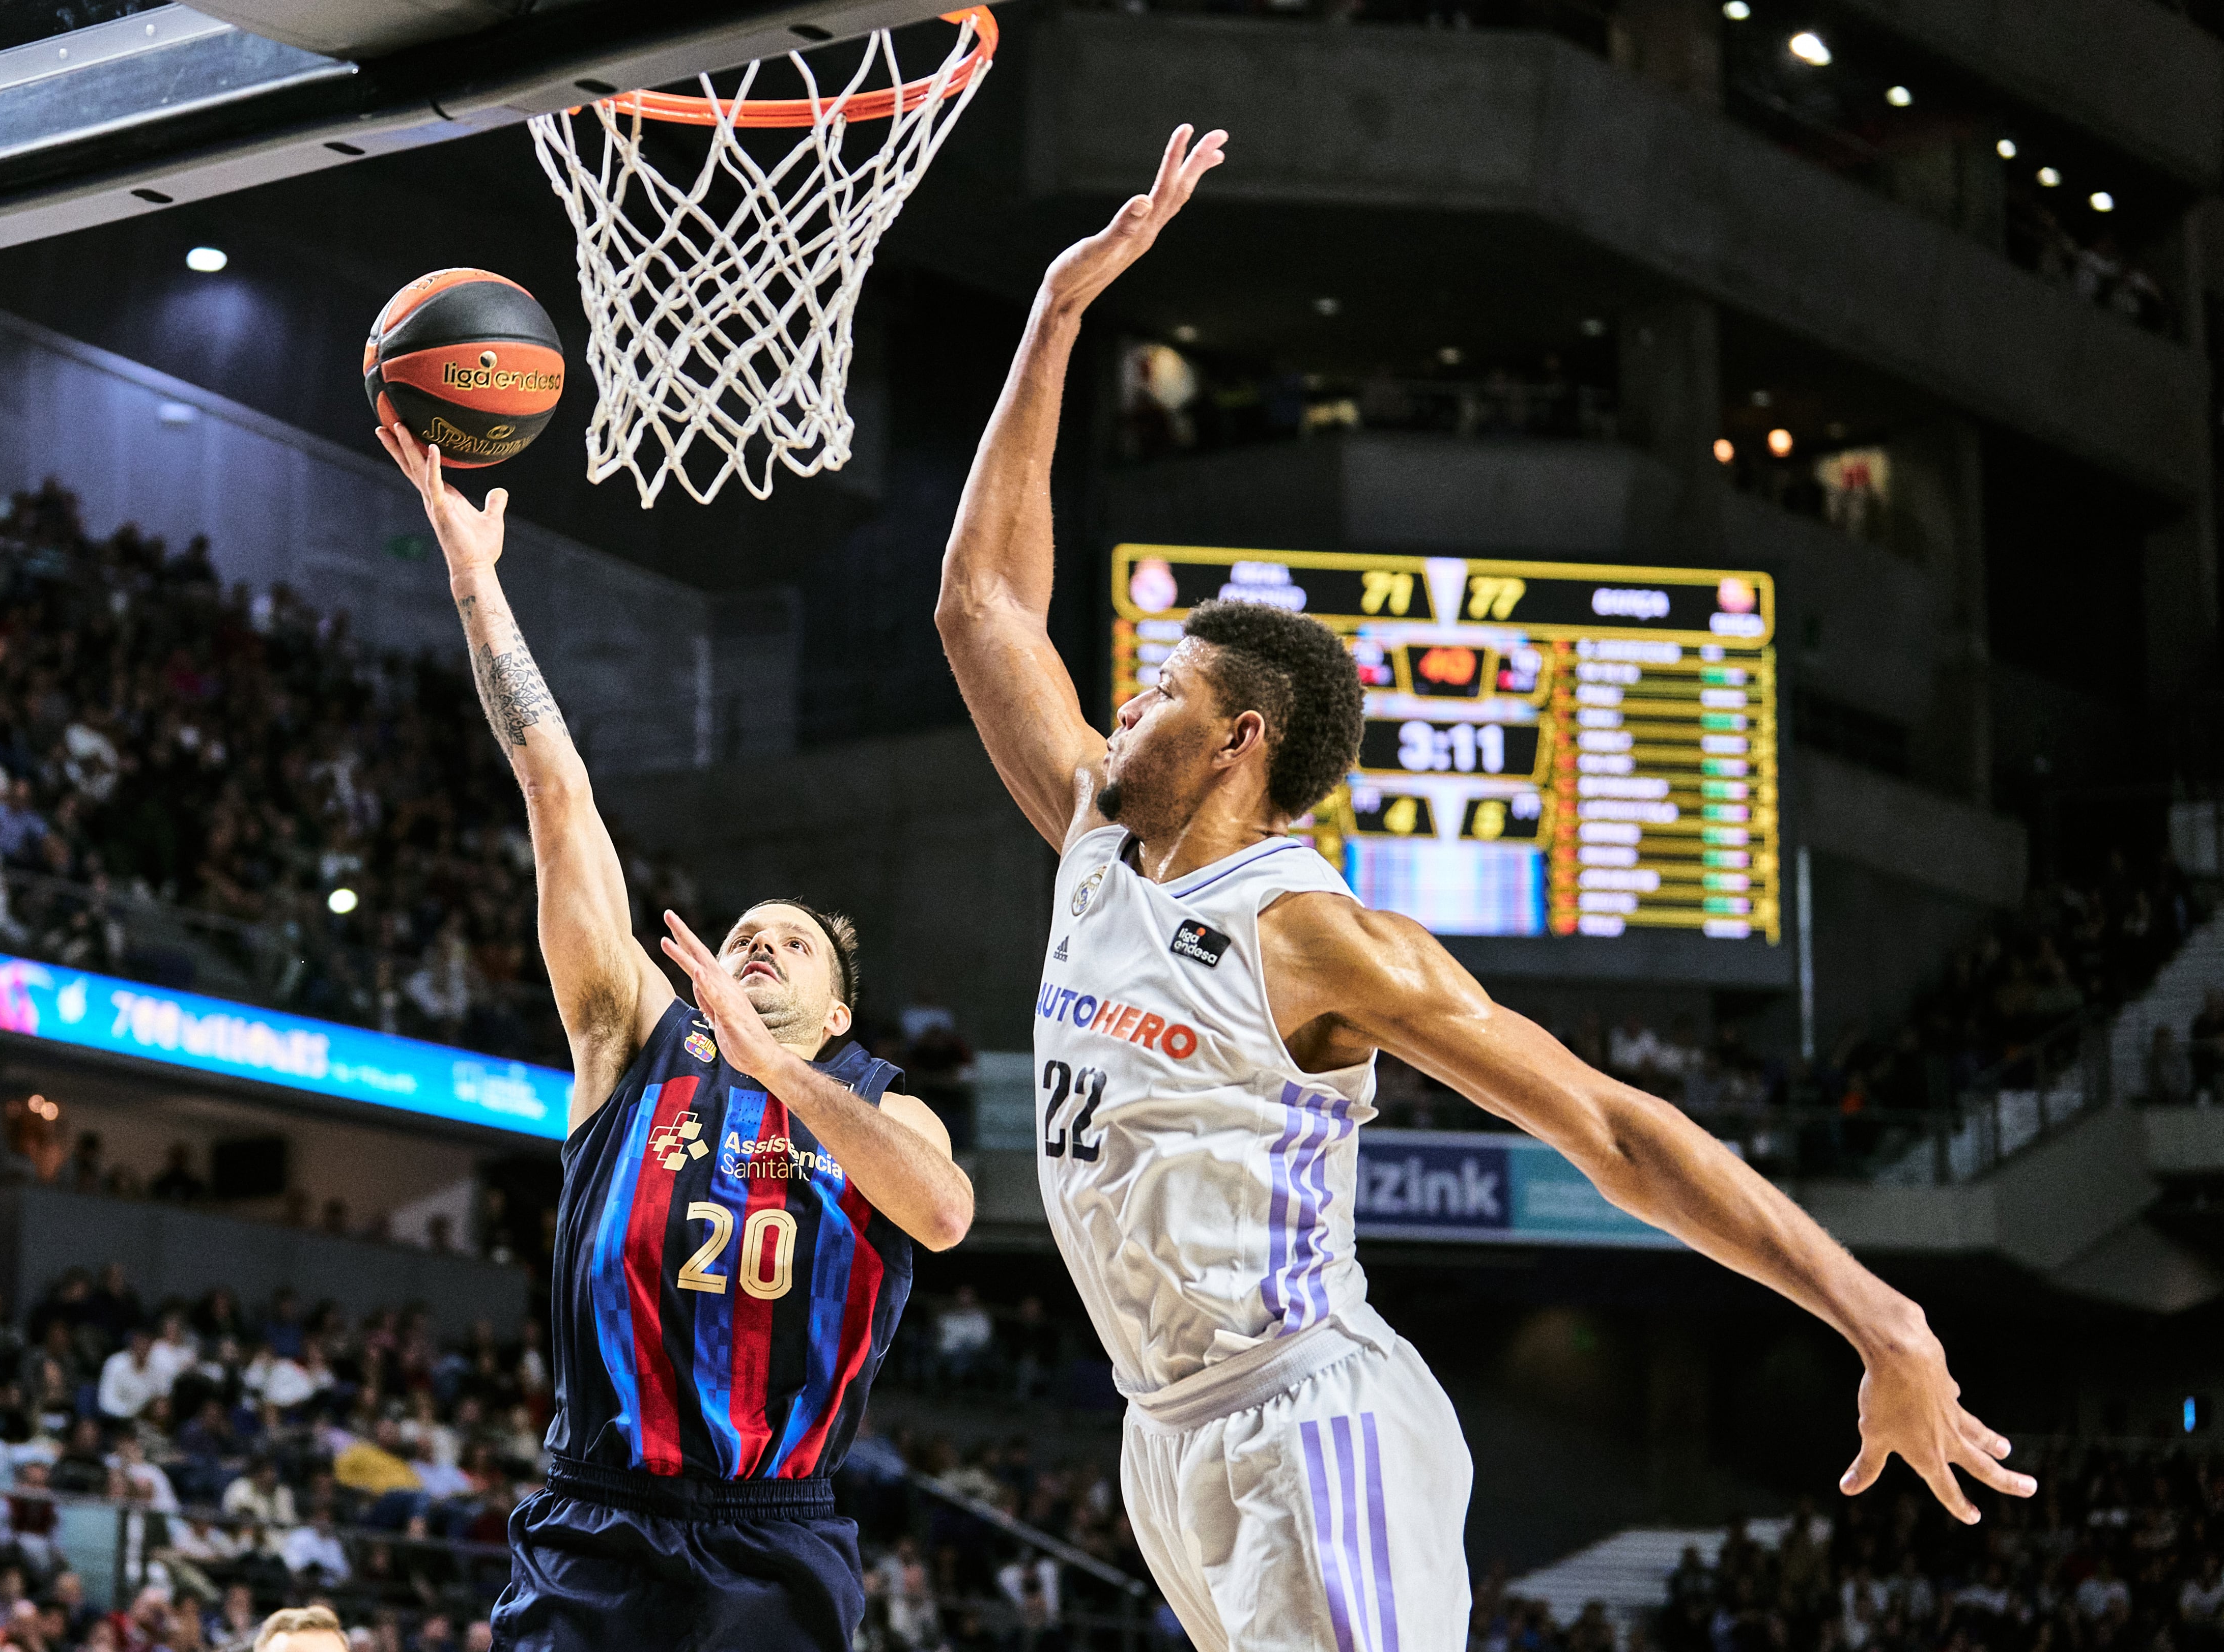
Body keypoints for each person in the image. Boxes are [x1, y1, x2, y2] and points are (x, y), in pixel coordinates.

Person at [934, 125, 2035, 1652]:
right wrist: (1057, 313)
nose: (1120, 702)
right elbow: (983, 600)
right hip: (1164, 1430)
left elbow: (1615, 1128)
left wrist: (1880, 1313)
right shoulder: (1095, 843)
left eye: (1160, 688)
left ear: (1239, 738)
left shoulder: (1312, 934)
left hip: (1309, 1416)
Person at [374, 422, 975, 1652]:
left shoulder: (877, 1099)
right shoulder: (628, 1038)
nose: (758, 944)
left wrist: (776, 1070)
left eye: (792, 943)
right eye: (742, 931)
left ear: (842, 1008)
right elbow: (558, 790)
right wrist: (473, 582)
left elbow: (944, 1212)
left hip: (774, 1533)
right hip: (599, 1514)